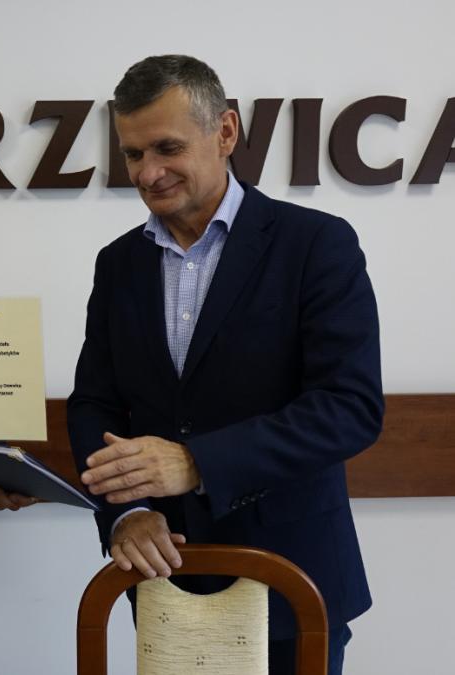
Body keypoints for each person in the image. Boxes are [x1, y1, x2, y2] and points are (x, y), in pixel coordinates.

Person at [67, 55, 383, 674]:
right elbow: (95, 404)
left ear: (226, 132)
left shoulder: (317, 244)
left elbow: (349, 409)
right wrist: (127, 513)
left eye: (167, 148)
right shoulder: (118, 263)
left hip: (294, 583)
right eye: (133, 154)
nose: (148, 173)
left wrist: (196, 463)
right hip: (164, 580)